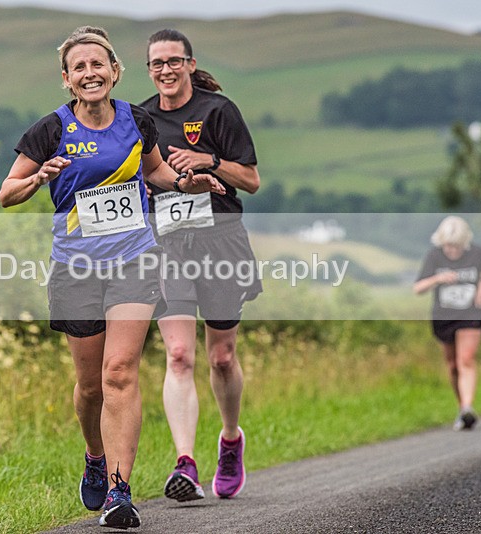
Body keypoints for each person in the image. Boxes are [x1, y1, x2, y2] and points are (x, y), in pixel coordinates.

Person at [0, 26, 225, 529]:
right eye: (79, 67)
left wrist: (187, 182)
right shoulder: (50, 130)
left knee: (119, 372)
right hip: (76, 268)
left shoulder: (136, 120)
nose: (90, 73)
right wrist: (37, 179)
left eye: (97, 64)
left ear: (115, 71)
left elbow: (156, 174)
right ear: (67, 79)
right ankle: (95, 456)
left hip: (134, 259)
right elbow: (6, 192)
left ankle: (120, 491)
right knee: (90, 388)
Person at [139, 28, 262, 501]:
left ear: (190, 64)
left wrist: (208, 160)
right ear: (149, 70)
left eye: (174, 61)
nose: (166, 70)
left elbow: (251, 180)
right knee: (178, 355)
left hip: (221, 242)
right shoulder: (141, 118)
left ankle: (230, 440)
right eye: (157, 64)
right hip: (167, 244)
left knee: (221, 357)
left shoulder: (218, 111)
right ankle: (185, 463)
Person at [413, 215, 481, 431]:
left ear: (465, 243)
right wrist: (438, 279)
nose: (452, 251)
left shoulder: (477, 253)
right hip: (444, 317)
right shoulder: (434, 256)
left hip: (470, 313)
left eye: (457, 247)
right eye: (448, 247)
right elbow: (418, 288)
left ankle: (468, 407)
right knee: (453, 365)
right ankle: (462, 406)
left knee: (466, 359)